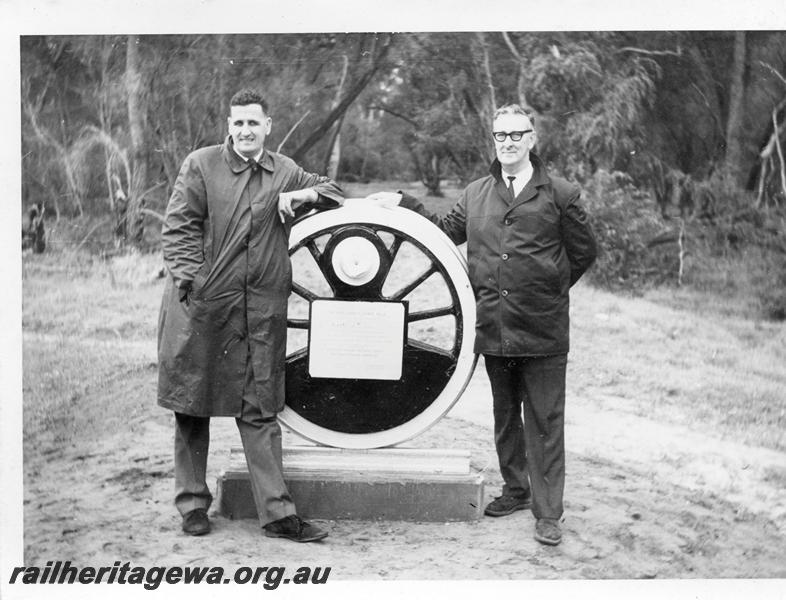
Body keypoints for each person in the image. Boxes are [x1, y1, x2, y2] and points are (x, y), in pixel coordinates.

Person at [366, 104, 596, 546]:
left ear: (532, 139)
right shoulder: (475, 194)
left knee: (545, 422)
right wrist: (403, 203)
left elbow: (585, 252)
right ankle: (516, 490)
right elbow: (440, 231)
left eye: (516, 134)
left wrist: (549, 289)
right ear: (494, 140)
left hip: (544, 331)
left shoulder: (562, 194)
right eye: (499, 135)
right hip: (494, 327)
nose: (507, 142)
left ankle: (548, 514)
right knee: (505, 415)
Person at [157, 88, 343, 542]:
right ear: (228, 125)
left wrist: (303, 199)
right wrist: (194, 284)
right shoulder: (201, 165)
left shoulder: (285, 171)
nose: (245, 131)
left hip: (259, 312)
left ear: (268, 126)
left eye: (253, 123)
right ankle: (193, 506)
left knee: (260, 408)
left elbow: (334, 191)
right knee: (191, 407)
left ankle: (278, 515)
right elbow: (177, 231)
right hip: (202, 309)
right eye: (238, 123)